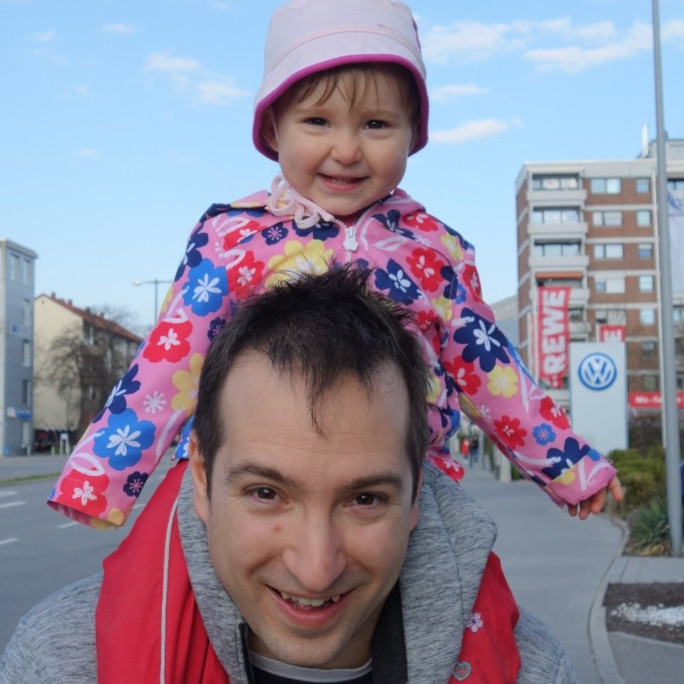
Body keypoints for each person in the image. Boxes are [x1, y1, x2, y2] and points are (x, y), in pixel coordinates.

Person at [48, 0, 621, 530]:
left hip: (400, 490)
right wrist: (102, 476)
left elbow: (492, 373)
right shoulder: (235, 240)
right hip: (259, 485)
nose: (347, 150)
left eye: (375, 125)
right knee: (191, 624)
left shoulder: (432, 251)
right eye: (318, 122)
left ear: (413, 134)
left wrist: (570, 467)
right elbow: (169, 360)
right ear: (274, 128)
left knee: (465, 616)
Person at [2, 267, 577, 683]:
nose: (316, 567)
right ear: (200, 477)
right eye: (265, 493)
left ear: (417, 494)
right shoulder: (67, 661)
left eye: (366, 500)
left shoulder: (532, 669)